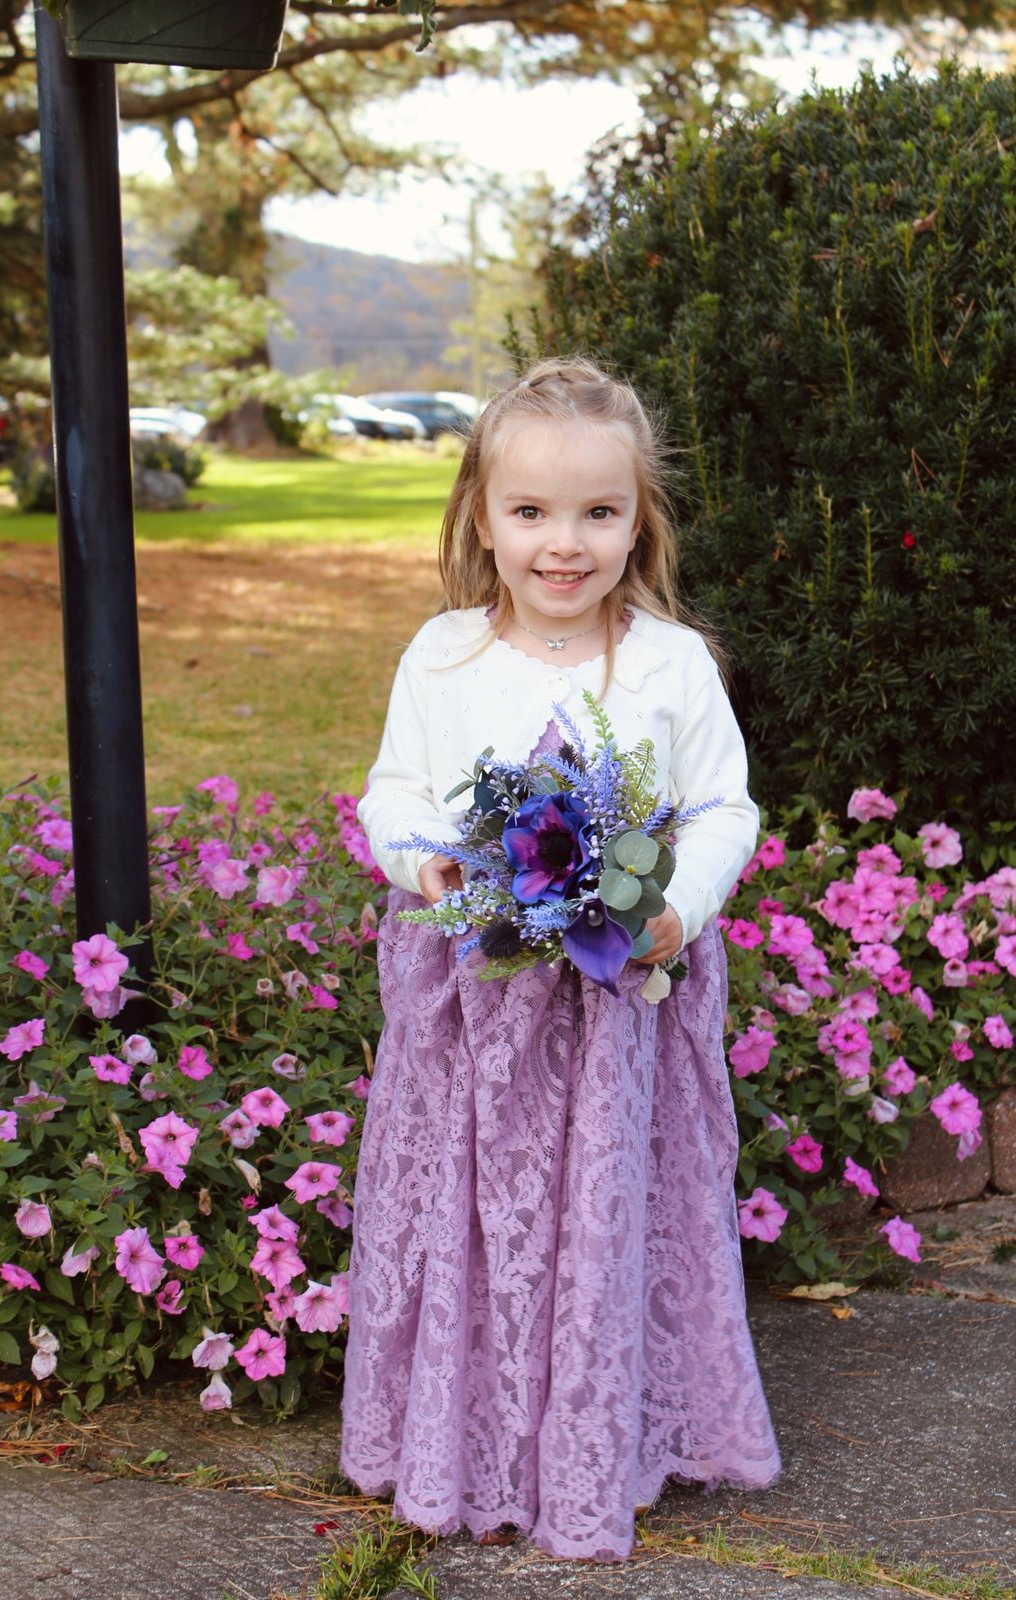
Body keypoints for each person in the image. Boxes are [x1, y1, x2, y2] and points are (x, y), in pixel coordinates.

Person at [340, 358, 781, 1562]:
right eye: (531, 512)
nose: (563, 544)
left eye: (598, 511)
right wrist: (424, 864)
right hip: (473, 1008)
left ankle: (597, 1441)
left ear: (641, 518)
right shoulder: (441, 657)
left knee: (601, 1217)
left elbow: (723, 810)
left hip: (615, 1003)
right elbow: (393, 791)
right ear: (482, 516)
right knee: (477, 1218)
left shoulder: (667, 664)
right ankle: (463, 1433)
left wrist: (675, 911)